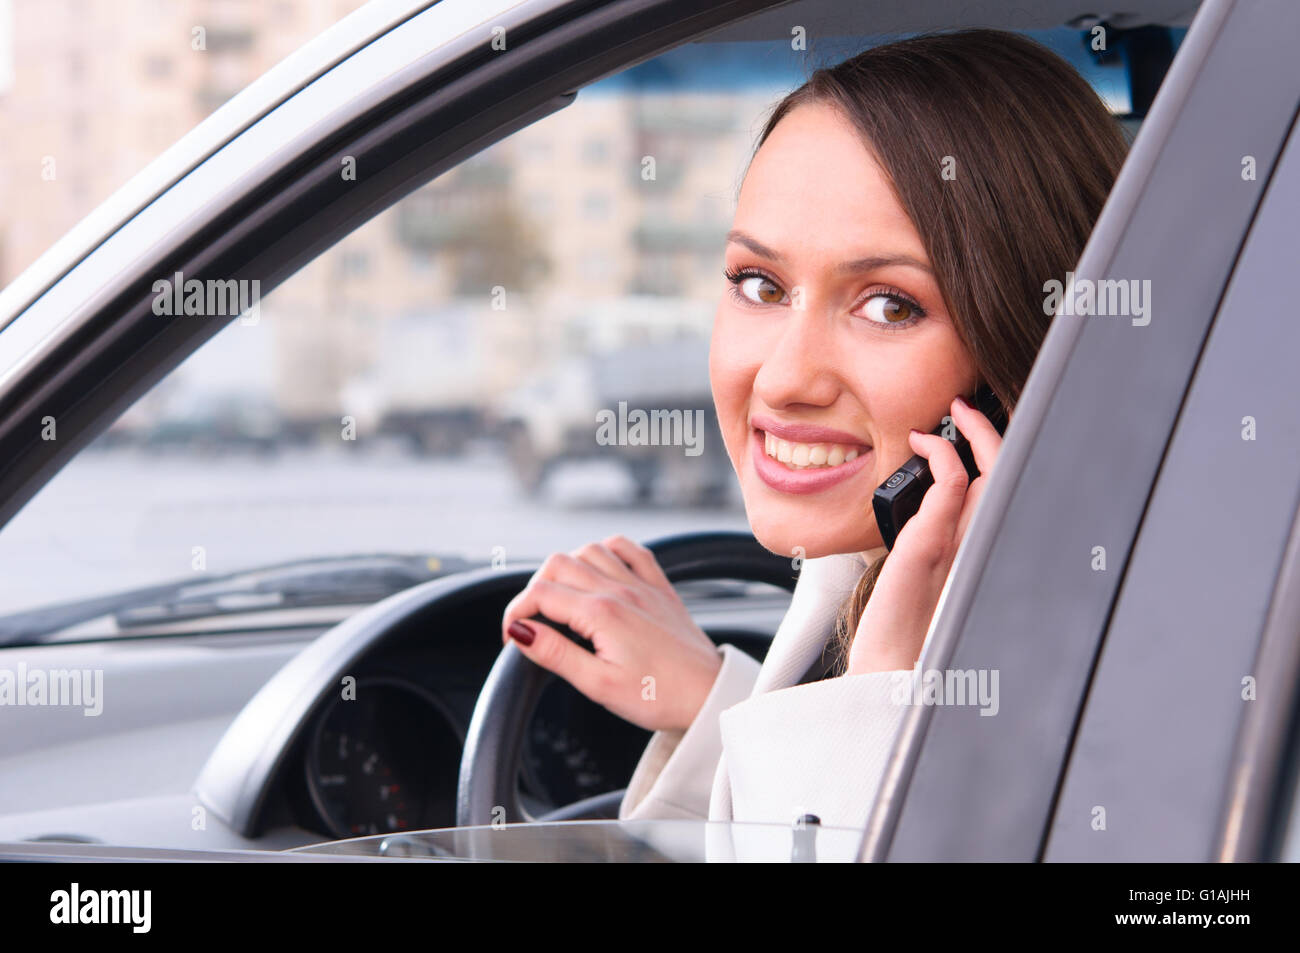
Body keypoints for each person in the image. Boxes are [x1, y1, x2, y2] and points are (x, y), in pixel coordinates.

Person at [500, 29, 1128, 831]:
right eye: (759, 284)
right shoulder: (863, 569)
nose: (787, 378)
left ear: (1027, 353)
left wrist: (890, 686)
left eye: (889, 304)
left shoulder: (1087, 683)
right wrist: (712, 707)